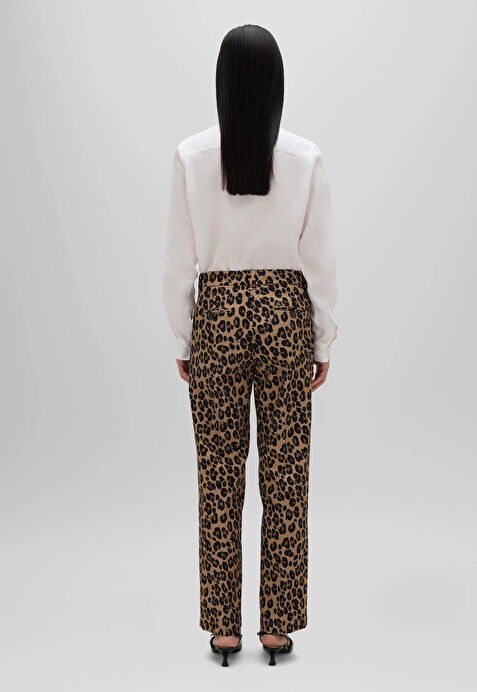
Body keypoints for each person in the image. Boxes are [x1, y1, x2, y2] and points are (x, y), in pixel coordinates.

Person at [162, 24, 338, 667]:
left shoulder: (191, 156)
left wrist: (185, 335)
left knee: (218, 474)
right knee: (285, 473)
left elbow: (178, 261)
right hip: (286, 313)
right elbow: (319, 261)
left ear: (222, 83)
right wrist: (322, 338)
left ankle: (223, 627)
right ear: (276, 85)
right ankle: (277, 626)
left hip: (218, 316)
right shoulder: (305, 157)